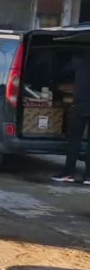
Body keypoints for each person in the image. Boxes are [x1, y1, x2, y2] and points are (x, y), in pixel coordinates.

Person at [54, 49, 90, 183]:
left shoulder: (80, 58)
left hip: (80, 105)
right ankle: (88, 176)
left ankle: (68, 172)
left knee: (74, 141)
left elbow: (63, 72)